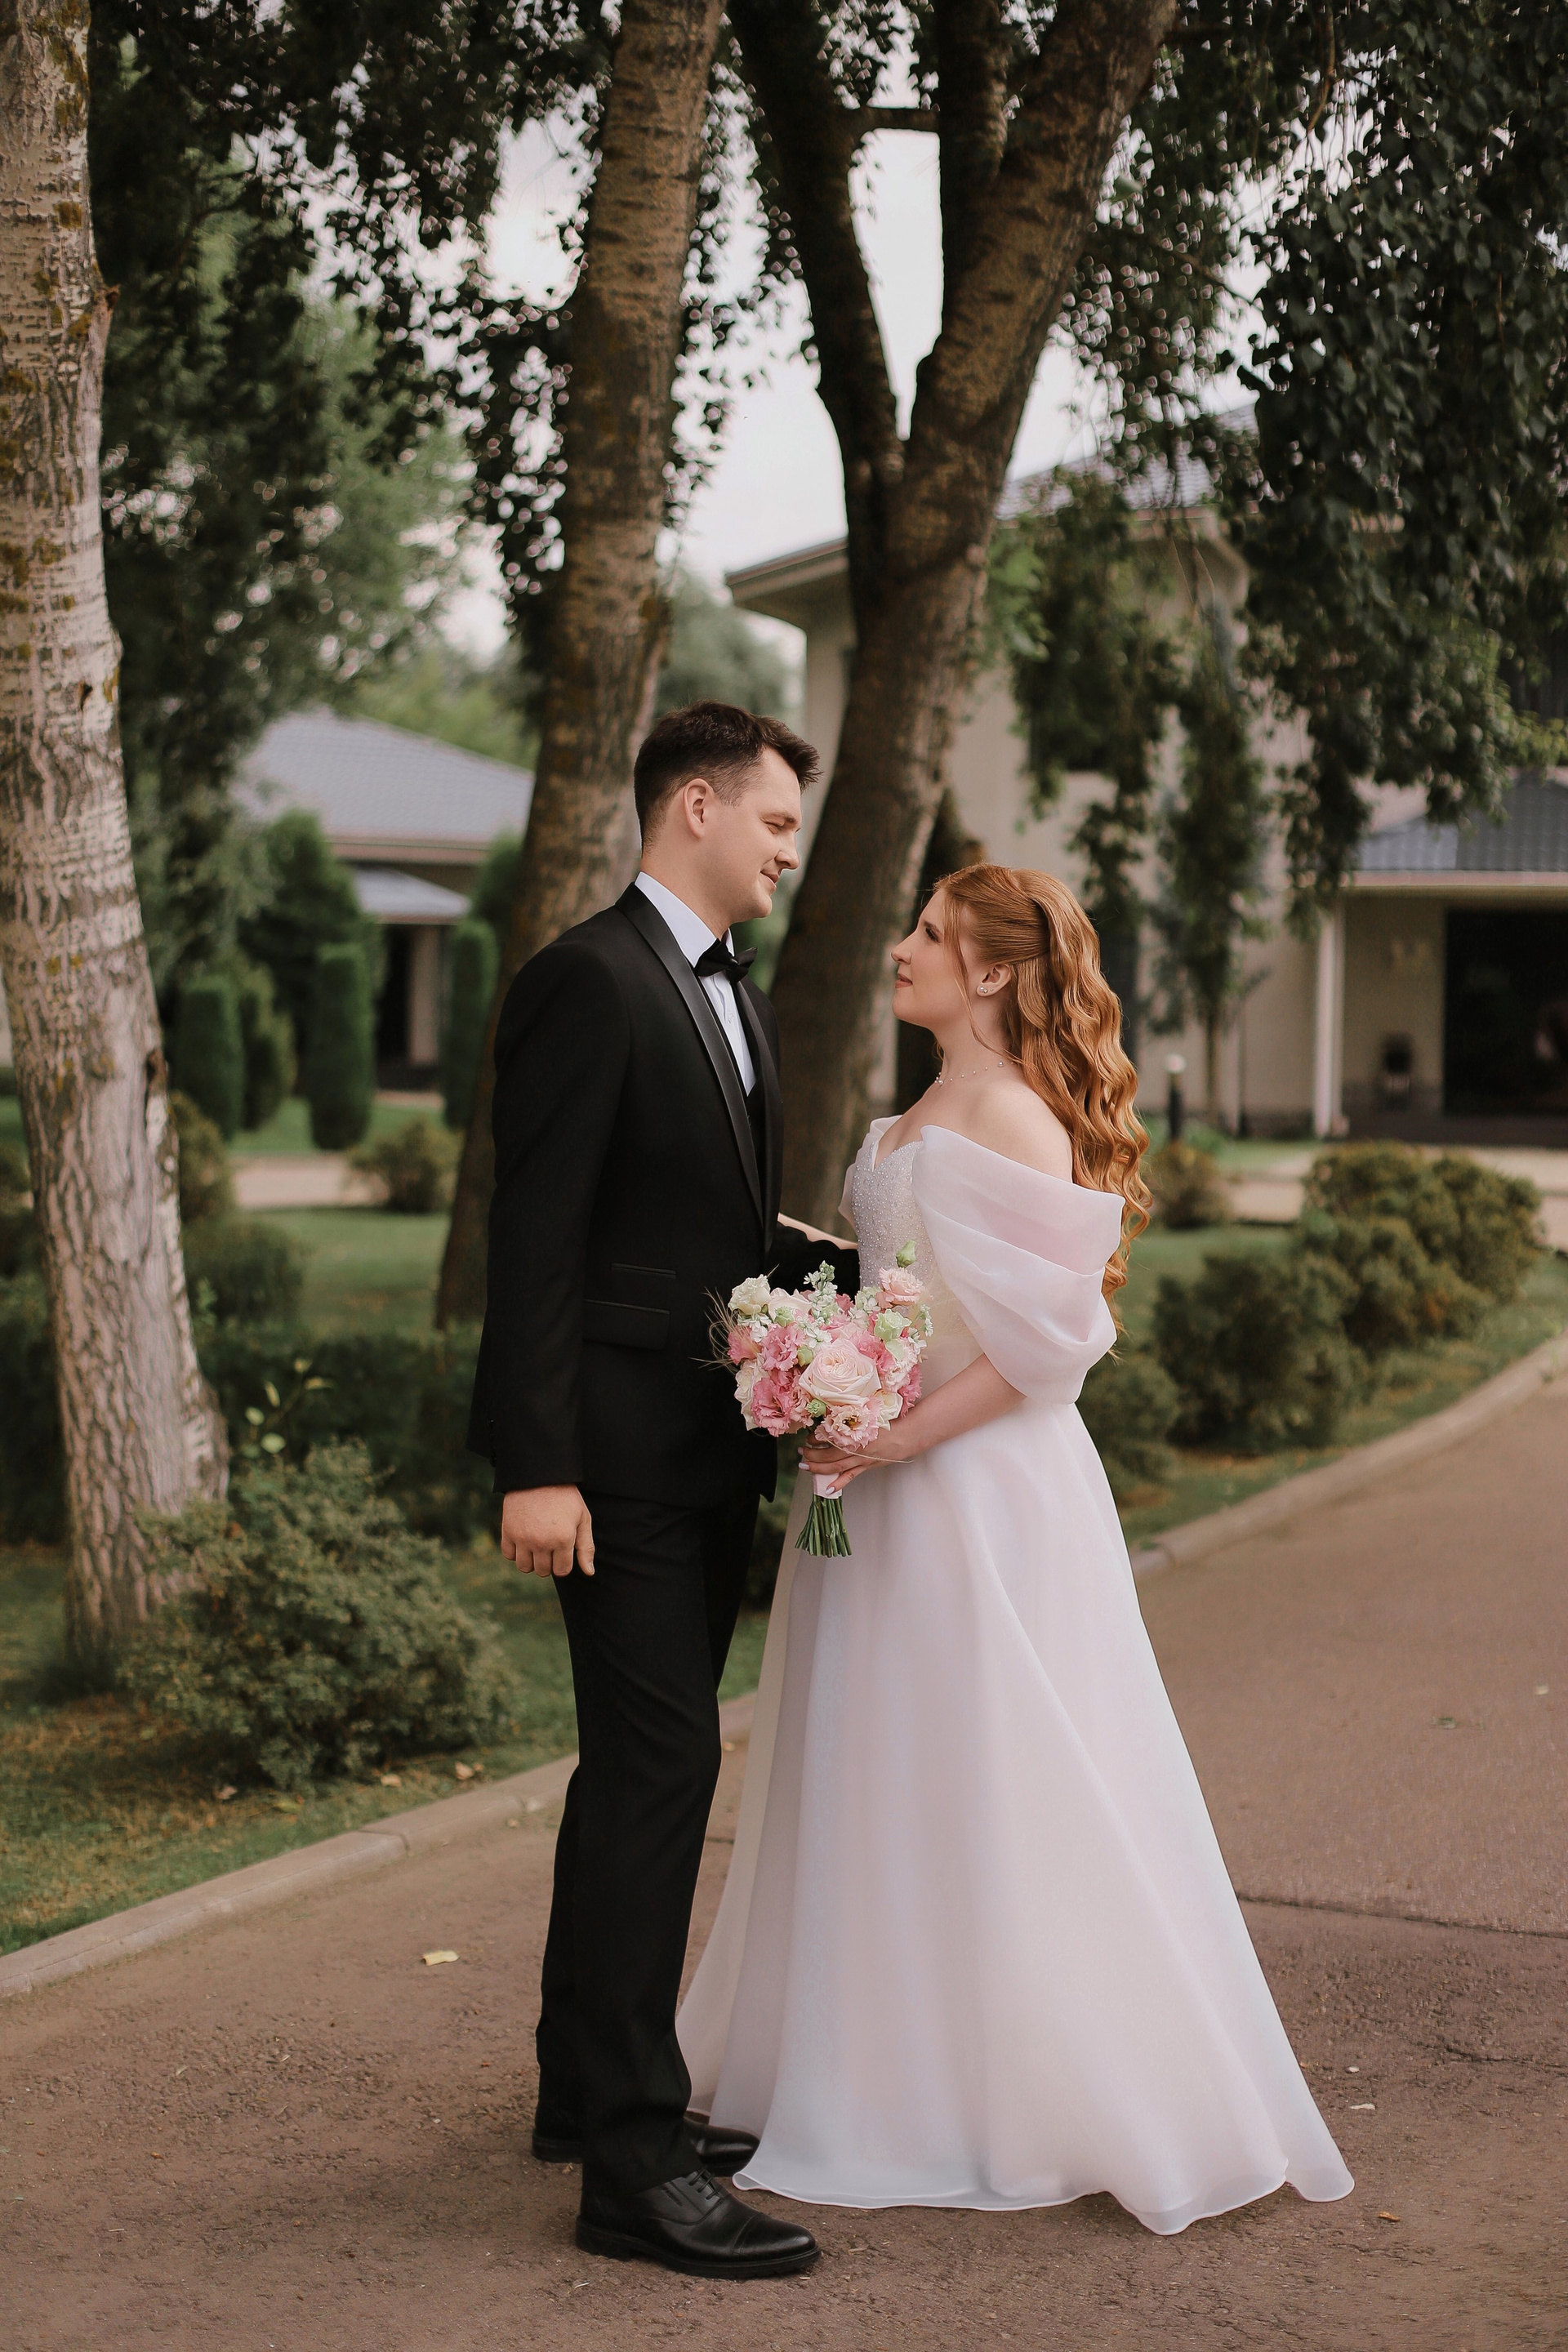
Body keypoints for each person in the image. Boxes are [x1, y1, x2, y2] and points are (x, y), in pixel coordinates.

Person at [678, 863, 1355, 2234]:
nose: (901, 948)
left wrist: (895, 1436)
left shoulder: (1010, 1116)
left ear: (992, 971)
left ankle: (1012, 2087)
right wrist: (820, 1355)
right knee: (874, 1769)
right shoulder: (918, 1109)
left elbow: (1052, 1345)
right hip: (876, 1482)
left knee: (991, 1768)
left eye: (929, 934)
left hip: (974, 1495)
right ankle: (864, 2062)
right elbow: (920, 1292)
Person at [467, 701, 857, 2279]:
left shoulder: (732, 993)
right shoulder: (586, 979)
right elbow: (537, 1236)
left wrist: (857, 1308)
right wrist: (538, 1464)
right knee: (663, 1769)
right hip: (609, 1469)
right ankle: (632, 2169)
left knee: (636, 1776)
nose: (787, 853)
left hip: (708, 1460)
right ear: (696, 804)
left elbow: (710, 1231)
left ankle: (584, 2087)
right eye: (774, 822)